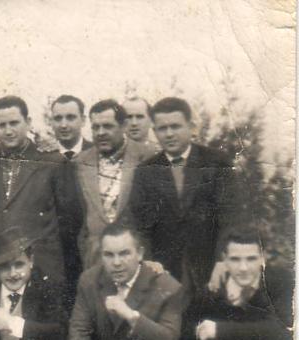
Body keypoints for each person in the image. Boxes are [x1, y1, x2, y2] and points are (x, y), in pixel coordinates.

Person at [129, 97, 247, 303]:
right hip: (165, 272)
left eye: (175, 126)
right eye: (162, 128)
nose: (169, 134)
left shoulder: (217, 163)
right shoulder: (145, 172)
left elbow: (232, 217)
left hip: (213, 267)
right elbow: (140, 227)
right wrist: (149, 264)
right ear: (154, 131)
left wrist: (223, 260)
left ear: (190, 127)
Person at [0, 95, 82, 299]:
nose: (8, 131)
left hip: (42, 270)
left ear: (28, 122)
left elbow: (71, 223)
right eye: (1, 125)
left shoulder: (53, 162)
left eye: (14, 123)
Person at [72, 99, 153, 269]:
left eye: (108, 126)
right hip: (94, 260)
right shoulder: (79, 162)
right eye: (96, 127)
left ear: (123, 126)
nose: (101, 132)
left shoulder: (148, 157)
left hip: (138, 260)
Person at [50, 94, 93, 159]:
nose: (63, 125)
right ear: (52, 122)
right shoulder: (42, 155)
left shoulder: (96, 152)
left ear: (83, 120)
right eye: (58, 118)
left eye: (70, 118)